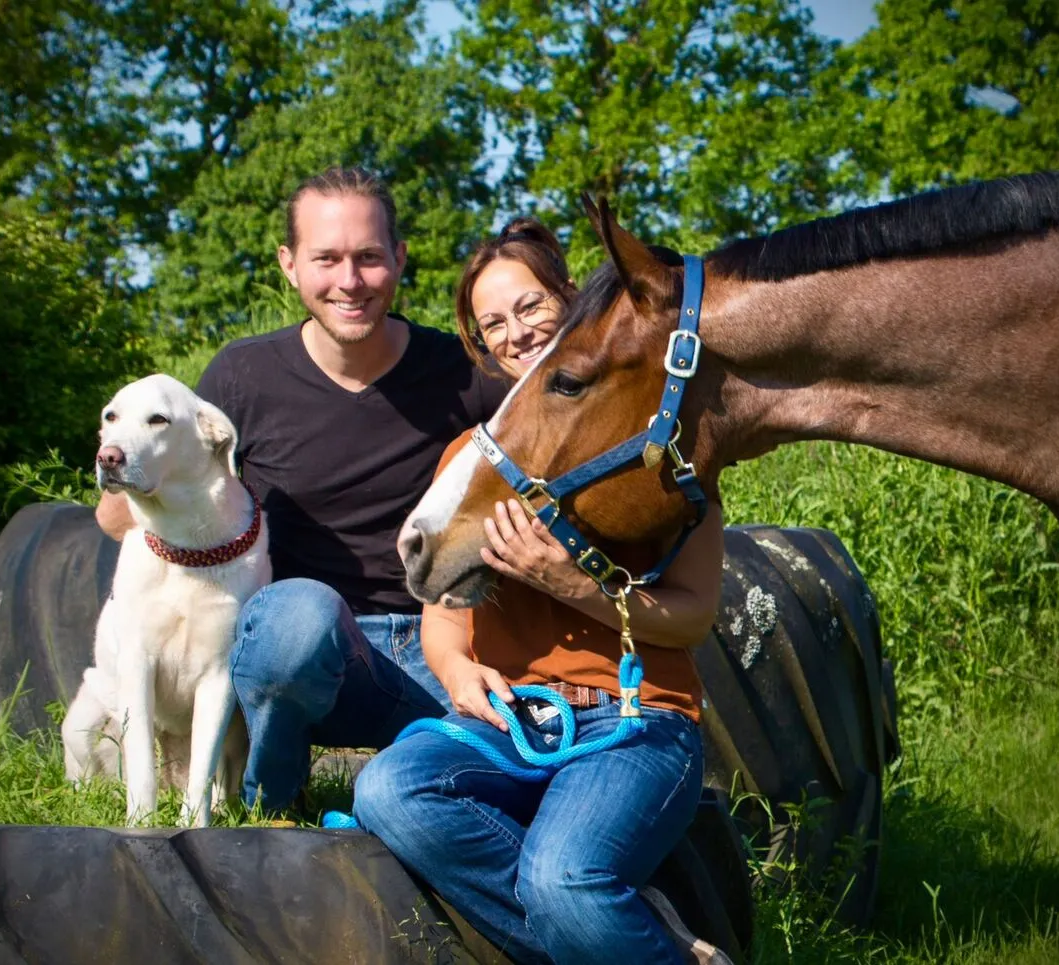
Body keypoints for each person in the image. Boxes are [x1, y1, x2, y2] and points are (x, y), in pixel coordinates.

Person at [352, 220, 730, 964]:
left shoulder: (652, 438)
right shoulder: (470, 458)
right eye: (493, 322)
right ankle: (626, 930)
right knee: (388, 791)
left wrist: (568, 579)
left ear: (570, 299)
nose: (515, 332)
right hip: (518, 721)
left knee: (563, 880)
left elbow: (691, 620)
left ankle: (590, 915)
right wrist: (460, 676)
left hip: (637, 720)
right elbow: (444, 628)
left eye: (528, 306)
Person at [96, 167, 507, 811]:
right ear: (289, 265)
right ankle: (273, 799)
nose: (349, 281)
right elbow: (119, 511)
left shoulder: (464, 372)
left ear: (399, 259)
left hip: (440, 647)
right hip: (298, 653)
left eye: (369, 257)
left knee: (517, 742)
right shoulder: (242, 376)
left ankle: (437, 785)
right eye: (327, 259)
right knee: (298, 615)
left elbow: (554, 449)